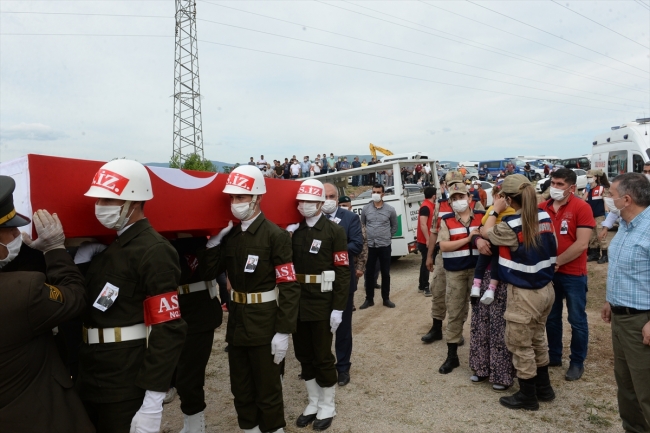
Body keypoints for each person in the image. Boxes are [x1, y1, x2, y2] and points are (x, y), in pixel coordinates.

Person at [75, 159, 188, 433]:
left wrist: (153, 401)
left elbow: (167, 329)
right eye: (99, 199)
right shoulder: (111, 247)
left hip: (126, 380)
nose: (99, 206)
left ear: (133, 203)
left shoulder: (154, 251)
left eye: (108, 200)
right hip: (93, 372)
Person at [202, 165, 301, 433]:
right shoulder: (231, 237)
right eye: (232, 198)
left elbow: (289, 286)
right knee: (241, 387)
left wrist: (283, 331)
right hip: (237, 323)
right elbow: (209, 272)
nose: (235, 203)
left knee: (267, 389)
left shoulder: (275, 235)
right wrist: (213, 245)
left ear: (256, 198)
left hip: (265, 321)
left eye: (241, 197)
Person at [0, 178, 94, 433]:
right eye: (10, 230)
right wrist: (54, 249)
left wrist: (29, 255)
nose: (17, 234)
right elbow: (74, 296)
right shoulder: (22, 293)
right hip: (37, 417)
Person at [480, 174, 558, 410]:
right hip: (546, 289)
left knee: (520, 344)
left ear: (509, 198)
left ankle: (527, 396)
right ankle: (544, 389)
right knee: (537, 339)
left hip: (524, 293)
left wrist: (494, 210)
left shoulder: (511, 224)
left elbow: (485, 232)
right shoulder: (544, 215)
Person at [291, 179, 350, 431]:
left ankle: (328, 404)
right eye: (301, 201)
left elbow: (343, 271)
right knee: (304, 354)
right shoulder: (296, 232)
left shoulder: (334, 231)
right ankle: (313, 402)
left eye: (310, 201)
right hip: (299, 301)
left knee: (322, 355)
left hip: (323, 301)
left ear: (320, 203)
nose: (305, 205)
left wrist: (339, 307)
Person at [600, 173, 650, 432]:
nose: (608, 198)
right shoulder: (626, 226)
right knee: (627, 388)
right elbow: (624, 269)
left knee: (646, 390)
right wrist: (611, 300)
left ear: (627, 199)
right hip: (621, 318)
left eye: (611, 194)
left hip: (642, 321)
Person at [539, 168, 595, 381]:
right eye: (553, 183)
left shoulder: (582, 207)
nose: (555, 187)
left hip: (573, 274)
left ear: (572, 187)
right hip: (549, 274)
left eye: (560, 184)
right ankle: (554, 355)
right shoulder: (542, 207)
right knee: (551, 317)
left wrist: (557, 262)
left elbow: (581, 244)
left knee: (577, 319)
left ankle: (577, 362)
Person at [169, 236, 223, 433]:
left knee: (189, 377)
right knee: (177, 374)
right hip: (171, 313)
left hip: (198, 316)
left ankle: (195, 427)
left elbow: (181, 273)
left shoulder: (200, 243)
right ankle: (189, 423)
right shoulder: (163, 241)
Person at [469, 182, 516, 392]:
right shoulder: (489, 212)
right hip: (484, 273)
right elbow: (479, 231)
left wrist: (492, 217)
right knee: (480, 322)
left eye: (505, 196)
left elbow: (492, 232)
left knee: (499, 324)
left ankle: (501, 373)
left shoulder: (514, 215)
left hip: (504, 275)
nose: (501, 199)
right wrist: (478, 239)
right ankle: (480, 367)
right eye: (498, 195)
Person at [436, 181, 485, 374]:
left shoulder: (482, 216)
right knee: (455, 311)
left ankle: (482, 355)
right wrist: (469, 238)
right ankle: (452, 356)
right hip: (455, 272)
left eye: (461, 197)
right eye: (454, 199)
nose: (458, 201)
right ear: (450, 201)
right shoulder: (447, 219)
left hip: (479, 272)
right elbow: (443, 245)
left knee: (482, 313)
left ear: (469, 198)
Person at [322, 184, 363, 387]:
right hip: (320, 283)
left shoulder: (350, 218)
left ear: (337, 198)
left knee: (343, 327)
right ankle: (321, 364)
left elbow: (356, 244)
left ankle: (343, 367)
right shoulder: (314, 219)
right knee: (321, 326)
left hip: (343, 281)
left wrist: (330, 250)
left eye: (332, 196)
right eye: (325, 196)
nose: (328, 200)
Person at [422, 172, 465, 344]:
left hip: (464, 259)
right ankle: (436, 328)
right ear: (445, 186)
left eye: (458, 183)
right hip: (443, 256)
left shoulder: (473, 204)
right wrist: (429, 256)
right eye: (450, 184)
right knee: (438, 291)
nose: (454, 188)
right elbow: (434, 232)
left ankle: (457, 331)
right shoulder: (440, 206)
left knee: (459, 296)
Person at [359, 184, 398, 309]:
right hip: (370, 246)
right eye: (374, 191)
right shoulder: (365, 209)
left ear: (383, 194)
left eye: (378, 192)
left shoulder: (390, 209)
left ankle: (386, 299)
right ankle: (369, 299)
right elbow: (363, 225)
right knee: (369, 273)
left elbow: (394, 226)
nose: (375, 194)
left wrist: (387, 237)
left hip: (384, 246)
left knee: (385, 273)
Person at [583, 169, 611, 264]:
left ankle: (604, 255)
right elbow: (582, 202)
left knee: (600, 236)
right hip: (590, 216)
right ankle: (594, 254)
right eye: (587, 177)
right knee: (592, 236)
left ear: (595, 178)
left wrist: (607, 213)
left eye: (590, 177)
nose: (588, 179)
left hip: (599, 216)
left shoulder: (601, 189)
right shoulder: (586, 189)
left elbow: (606, 201)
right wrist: (587, 191)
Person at [416, 186, 436, 297]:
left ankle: (421, 285)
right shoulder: (425, 207)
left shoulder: (430, 206)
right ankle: (425, 286)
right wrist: (428, 239)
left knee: (425, 262)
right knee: (426, 263)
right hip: (425, 241)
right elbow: (423, 224)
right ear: (434, 196)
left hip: (426, 240)